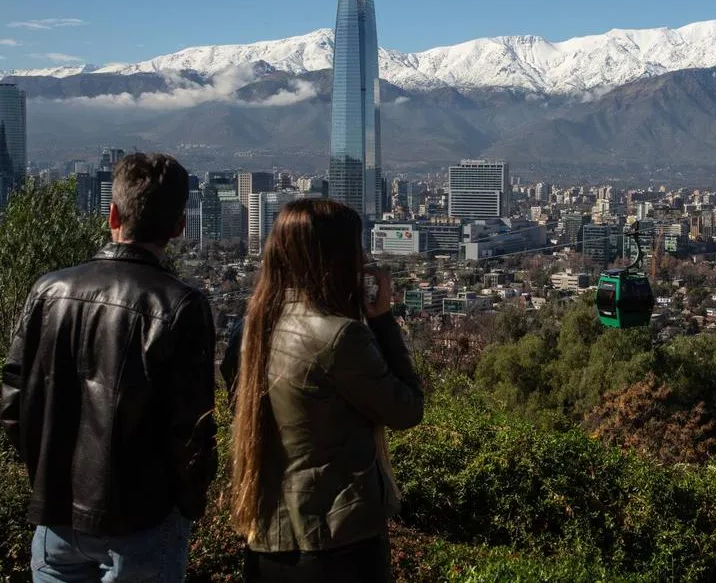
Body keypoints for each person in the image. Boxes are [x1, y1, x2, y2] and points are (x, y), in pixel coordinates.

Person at [0, 153, 215, 582]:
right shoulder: (180, 305)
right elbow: (191, 429)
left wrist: (45, 473)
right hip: (143, 519)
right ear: (179, 226)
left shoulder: (49, 289)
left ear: (112, 213)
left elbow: (12, 400)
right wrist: (187, 504)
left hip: (57, 514)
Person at [229, 198, 423, 583]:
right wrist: (383, 320)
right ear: (334, 259)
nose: (362, 259)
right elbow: (407, 409)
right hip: (336, 543)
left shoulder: (254, 330)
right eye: (356, 249)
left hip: (267, 538)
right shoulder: (338, 336)